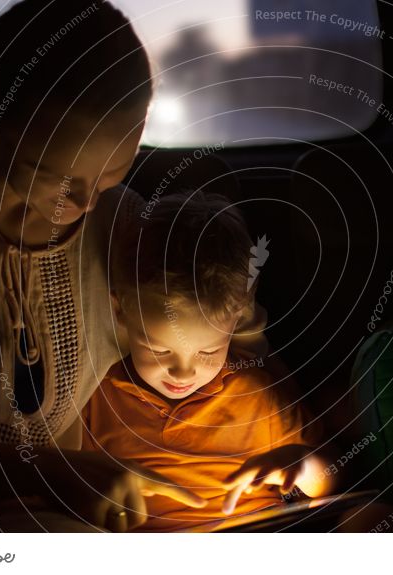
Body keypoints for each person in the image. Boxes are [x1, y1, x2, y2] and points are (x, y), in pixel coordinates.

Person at [0, 0, 271, 532]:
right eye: (51, 176)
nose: (85, 206)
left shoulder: (118, 226)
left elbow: (225, 313)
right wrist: (38, 474)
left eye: (108, 178)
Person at [82, 192, 332, 531]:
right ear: (120, 311)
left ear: (238, 321)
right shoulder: (100, 400)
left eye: (208, 352)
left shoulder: (257, 395)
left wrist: (302, 467)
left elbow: (333, 477)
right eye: (158, 350)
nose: (183, 372)